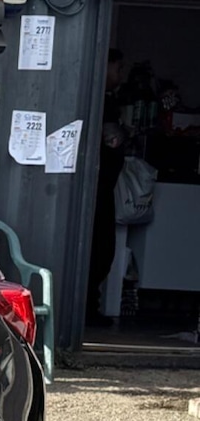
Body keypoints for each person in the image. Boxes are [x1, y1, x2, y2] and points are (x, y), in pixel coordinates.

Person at [87, 50, 128, 325]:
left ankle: (90, 307)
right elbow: (112, 139)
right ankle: (88, 308)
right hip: (99, 189)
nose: (119, 75)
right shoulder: (105, 103)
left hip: (102, 187)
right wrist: (123, 135)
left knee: (100, 250)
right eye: (118, 69)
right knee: (101, 250)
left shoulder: (105, 100)